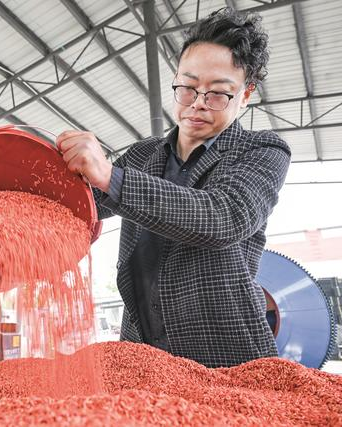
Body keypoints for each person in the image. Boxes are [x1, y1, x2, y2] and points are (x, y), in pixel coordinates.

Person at [56, 7, 290, 368]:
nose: (197, 104)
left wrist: (110, 176)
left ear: (245, 94)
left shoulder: (261, 151)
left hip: (224, 355)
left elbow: (224, 217)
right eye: (188, 87)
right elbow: (80, 204)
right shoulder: (141, 155)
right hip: (142, 351)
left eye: (218, 94)